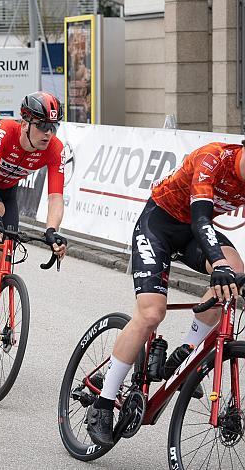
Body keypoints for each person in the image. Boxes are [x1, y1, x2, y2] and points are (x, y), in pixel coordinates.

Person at [86, 141, 245, 447]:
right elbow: (201, 218)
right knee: (151, 313)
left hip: (193, 234)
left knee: (233, 276)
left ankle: (185, 354)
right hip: (158, 225)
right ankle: (103, 403)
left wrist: (226, 267)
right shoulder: (213, 158)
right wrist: (219, 263)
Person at [0, 91, 67, 302]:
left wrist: (52, 230)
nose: (49, 133)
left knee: (3, 252)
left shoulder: (55, 149)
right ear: (25, 123)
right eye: (43, 126)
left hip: (7, 191)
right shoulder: (4, 130)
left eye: (54, 127)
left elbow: (55, 197)